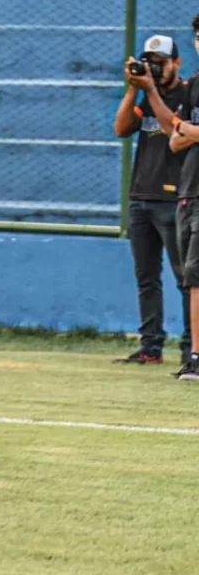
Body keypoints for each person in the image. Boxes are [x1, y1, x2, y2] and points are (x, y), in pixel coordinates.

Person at [112, 34, 191, 365]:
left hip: (174, 198)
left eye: (160, 62)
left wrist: (152, 91)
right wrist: (134, 87)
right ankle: (151, 346)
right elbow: (121, 128)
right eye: (150, 63)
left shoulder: (188, 94)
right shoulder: (145, 94)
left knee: (186, 277)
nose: (155, 68)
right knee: (146, 277)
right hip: (141, 196)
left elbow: (173, 129)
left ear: (177, 63)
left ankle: (192, 348)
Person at [170, 15, 199, 380]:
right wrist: (190, 130)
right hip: (190, 192)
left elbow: (182, 130)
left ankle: (196, 355)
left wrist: (187, 129)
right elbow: (176, 140)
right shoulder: (194, 87)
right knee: (191, 278)